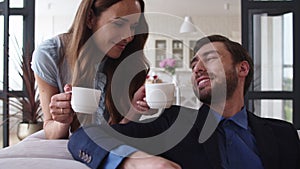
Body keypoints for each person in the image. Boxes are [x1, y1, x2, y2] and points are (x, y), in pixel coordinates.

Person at [68, 34, 300, 169]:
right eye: (193, 65)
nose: (197, 68)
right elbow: (86, 136)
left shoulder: (284, 134)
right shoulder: (174, 123)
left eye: (209, 58)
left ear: (242, 68)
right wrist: (131, 160)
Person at [31, 0, 151, 139]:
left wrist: (134, 111)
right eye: (119, 24)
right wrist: (62, 121)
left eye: (133, 26)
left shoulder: (127, 60)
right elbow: (51, 133)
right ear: (90, 18)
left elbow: (116, 134)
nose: (129, 37)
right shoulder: (50, 56)